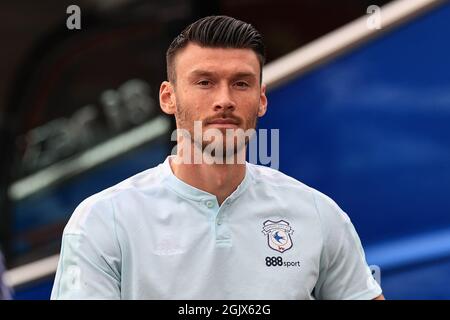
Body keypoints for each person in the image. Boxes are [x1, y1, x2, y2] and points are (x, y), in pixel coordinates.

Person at [51, 15, 383, 300]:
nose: (224, 100)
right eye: (205, 82)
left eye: (241, 83)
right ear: (168, 97)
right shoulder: (104, 220)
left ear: (261, 100)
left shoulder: (317, 214)